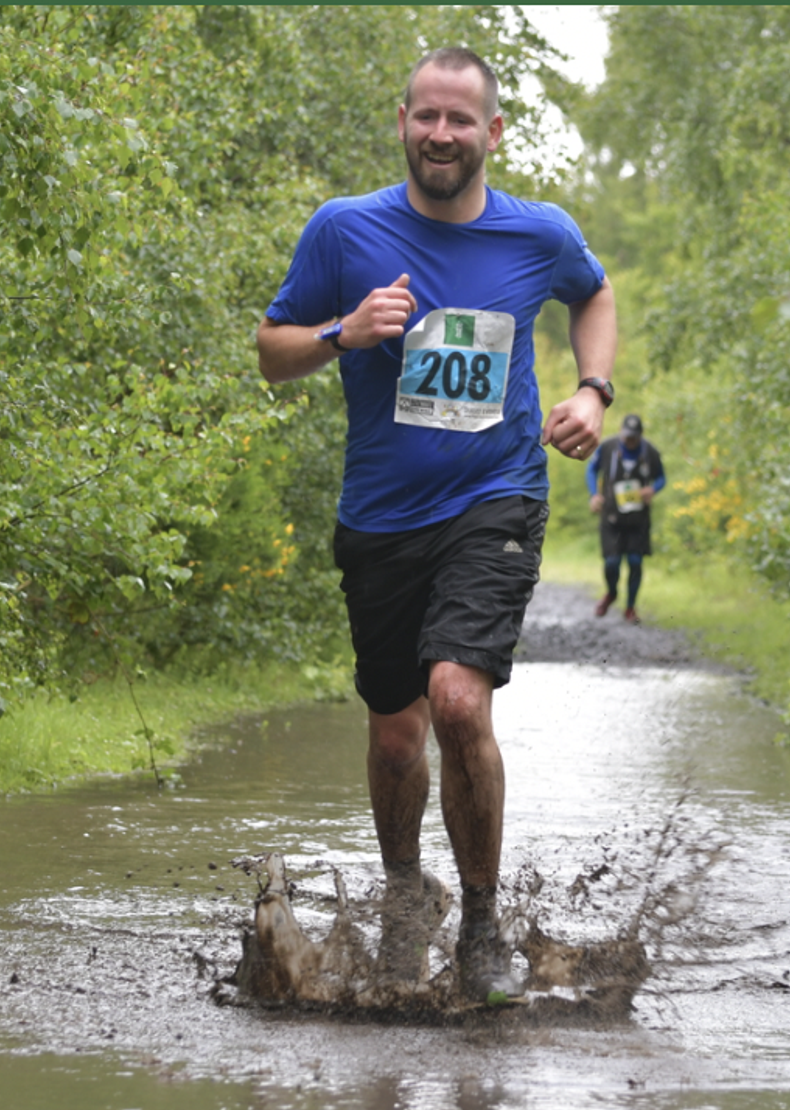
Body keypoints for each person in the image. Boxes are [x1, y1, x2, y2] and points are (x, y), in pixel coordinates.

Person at [255, 47, 617, 1002]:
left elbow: (595, 293)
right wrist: (344, 333)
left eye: (463, 120)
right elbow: (271, 353)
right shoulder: (344, 231)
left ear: (493, 132)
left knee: (458, 702)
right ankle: (410, 898)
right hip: (379, 520)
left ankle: (484, 926)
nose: (443, 135)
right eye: (428, 117)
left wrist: (593, 388)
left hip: (495, 499)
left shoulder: (537, 234)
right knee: (393, 736)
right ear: (404, 122)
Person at [586, 413, 665, 623]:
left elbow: (661, 478)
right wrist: (594, 494)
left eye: (633, 437)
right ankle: (611, 593)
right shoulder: (608, 447)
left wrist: (652, 489)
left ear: (640, 436)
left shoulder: (650, 452)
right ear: (621, 433)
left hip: (638, 519)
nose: (629, 441)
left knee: (635, 561)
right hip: (611, 516)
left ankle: (630, 607)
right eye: (626, 436)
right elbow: (591, 470)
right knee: (612, 562)